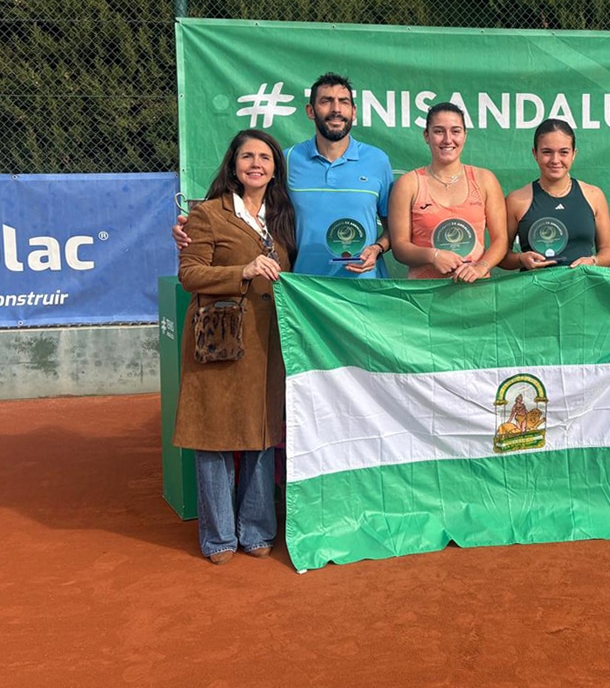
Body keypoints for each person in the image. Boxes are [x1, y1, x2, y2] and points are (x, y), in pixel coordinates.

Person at [173, 129, 296, 564]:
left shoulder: (282, 216)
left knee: (262, 434)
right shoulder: (207, 214)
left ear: (275, 168)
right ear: (234, 164)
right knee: (215, 436)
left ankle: (258, 530)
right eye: (248, 156)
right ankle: (220, 538)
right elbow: (190, 274)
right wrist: (241, 271)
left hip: (269, 342)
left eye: (265, 157)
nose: (256, 163)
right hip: (220, 339)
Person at [174, 73, 392, 278]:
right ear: (310, 110)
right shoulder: (287, 159)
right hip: (303, 289)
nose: (336, 109)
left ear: (353, 111)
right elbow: (245, 205)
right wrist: (195, 230)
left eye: (343, 102)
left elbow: (394, 228)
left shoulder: (377, 160)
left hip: (364, 286)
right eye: (326, 101)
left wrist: (377, 248)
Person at [388, 102, 507, 281]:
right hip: (425, 297)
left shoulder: (485, 180)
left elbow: (501, 240)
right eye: (439, 131)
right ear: (426, 136)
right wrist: (432, 256)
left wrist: (481, 267)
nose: (447, 139)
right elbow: (399, 247)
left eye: (456, 131)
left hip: (477, 295)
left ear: (465, 135)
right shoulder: (408, 184)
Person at [500, 118, 610, 271]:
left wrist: (594, 261)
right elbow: (502, 257)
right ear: (535, 153)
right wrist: (521, 259)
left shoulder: (594, 195)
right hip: (534, 292)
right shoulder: (516, 200)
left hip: (583, 290)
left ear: (573, 154)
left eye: (564, 152)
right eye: (547, 152)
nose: (555, 160)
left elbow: (608, 251)